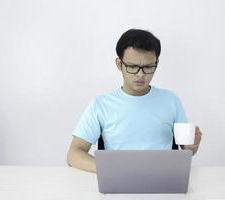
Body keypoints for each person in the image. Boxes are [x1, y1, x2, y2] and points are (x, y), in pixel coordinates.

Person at [67, 29, 202, 173]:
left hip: (162, 181)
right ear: (119, 64)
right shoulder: (100, 105)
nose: (140, 75)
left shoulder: (171, 101)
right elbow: (74, 154)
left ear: (156, 63)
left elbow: (187, 149)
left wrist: (193, 145)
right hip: (117, 181)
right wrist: (109, 170)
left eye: (148, 67)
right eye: (132, 67)